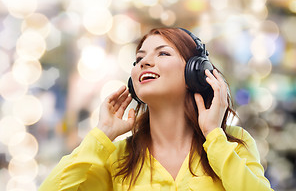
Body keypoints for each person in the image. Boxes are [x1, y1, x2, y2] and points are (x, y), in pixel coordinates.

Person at [39, 28, 274, 191]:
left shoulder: (234, 145)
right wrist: (102, 134)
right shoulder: (117, 157)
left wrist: (214, 136)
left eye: (163, 53)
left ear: (196, 73)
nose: (144, 62)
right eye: (139, 58)